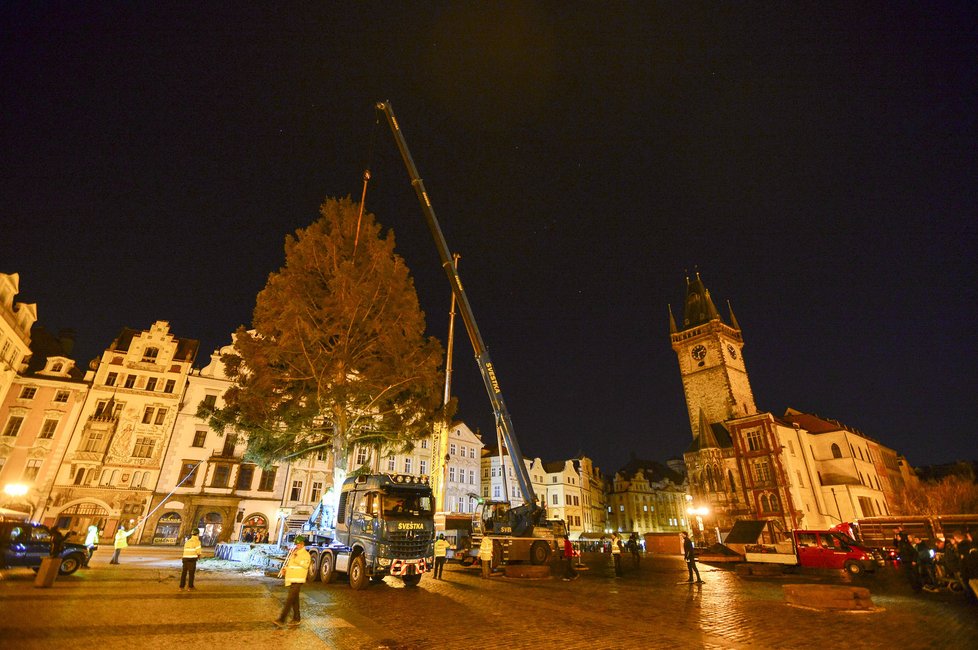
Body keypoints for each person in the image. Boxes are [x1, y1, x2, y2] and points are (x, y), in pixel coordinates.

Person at [276, 536, 311, 628]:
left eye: (298, 544)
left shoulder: (305, 554)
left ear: (303, 544)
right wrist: (286, 570)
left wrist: (296, 558)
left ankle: (282, 619)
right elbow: (292, 564)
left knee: (289, 600)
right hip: (293, 579)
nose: (297, 546)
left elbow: (306, 565)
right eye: (296, 544)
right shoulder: (295, 553)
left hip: (298, 579)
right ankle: (296, 618)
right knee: (294, 600)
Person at [895, 529, 921, 593]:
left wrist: (914, 560)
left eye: (898, 537)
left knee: (913, 575)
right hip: (905, 561)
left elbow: (915, 552)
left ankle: (917, 587)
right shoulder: (900, 544)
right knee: (909, 575)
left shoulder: (905, 544)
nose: (897, 538)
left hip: (910, 561)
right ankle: (914, 587)